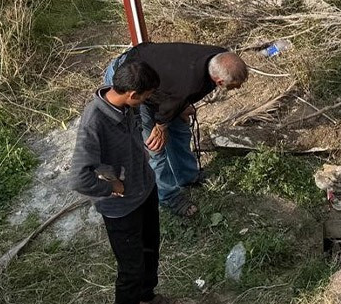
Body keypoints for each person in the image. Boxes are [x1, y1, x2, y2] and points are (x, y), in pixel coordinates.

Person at [72, 60, 186, 304]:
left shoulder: (128, 106)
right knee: (130, 270)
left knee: (151, 250)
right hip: (120, 208)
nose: (149, 100)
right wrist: (114, 188)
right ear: (132, 93)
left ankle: (147, 298)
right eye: (147, 95)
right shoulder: (94, 121)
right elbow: (79, 178)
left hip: (145, 192)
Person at [103, 42, 249, 216]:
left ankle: (187, 177)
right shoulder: (188, 82)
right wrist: (161, 127)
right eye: (236, 85)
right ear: (219, 81)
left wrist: (182, 103)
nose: (238, 88)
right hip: (132, 84)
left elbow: (177, 92)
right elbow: (178, 93)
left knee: (180, 131)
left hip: (158, 84)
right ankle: (168, 196)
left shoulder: (218, 58)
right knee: (155, 148)